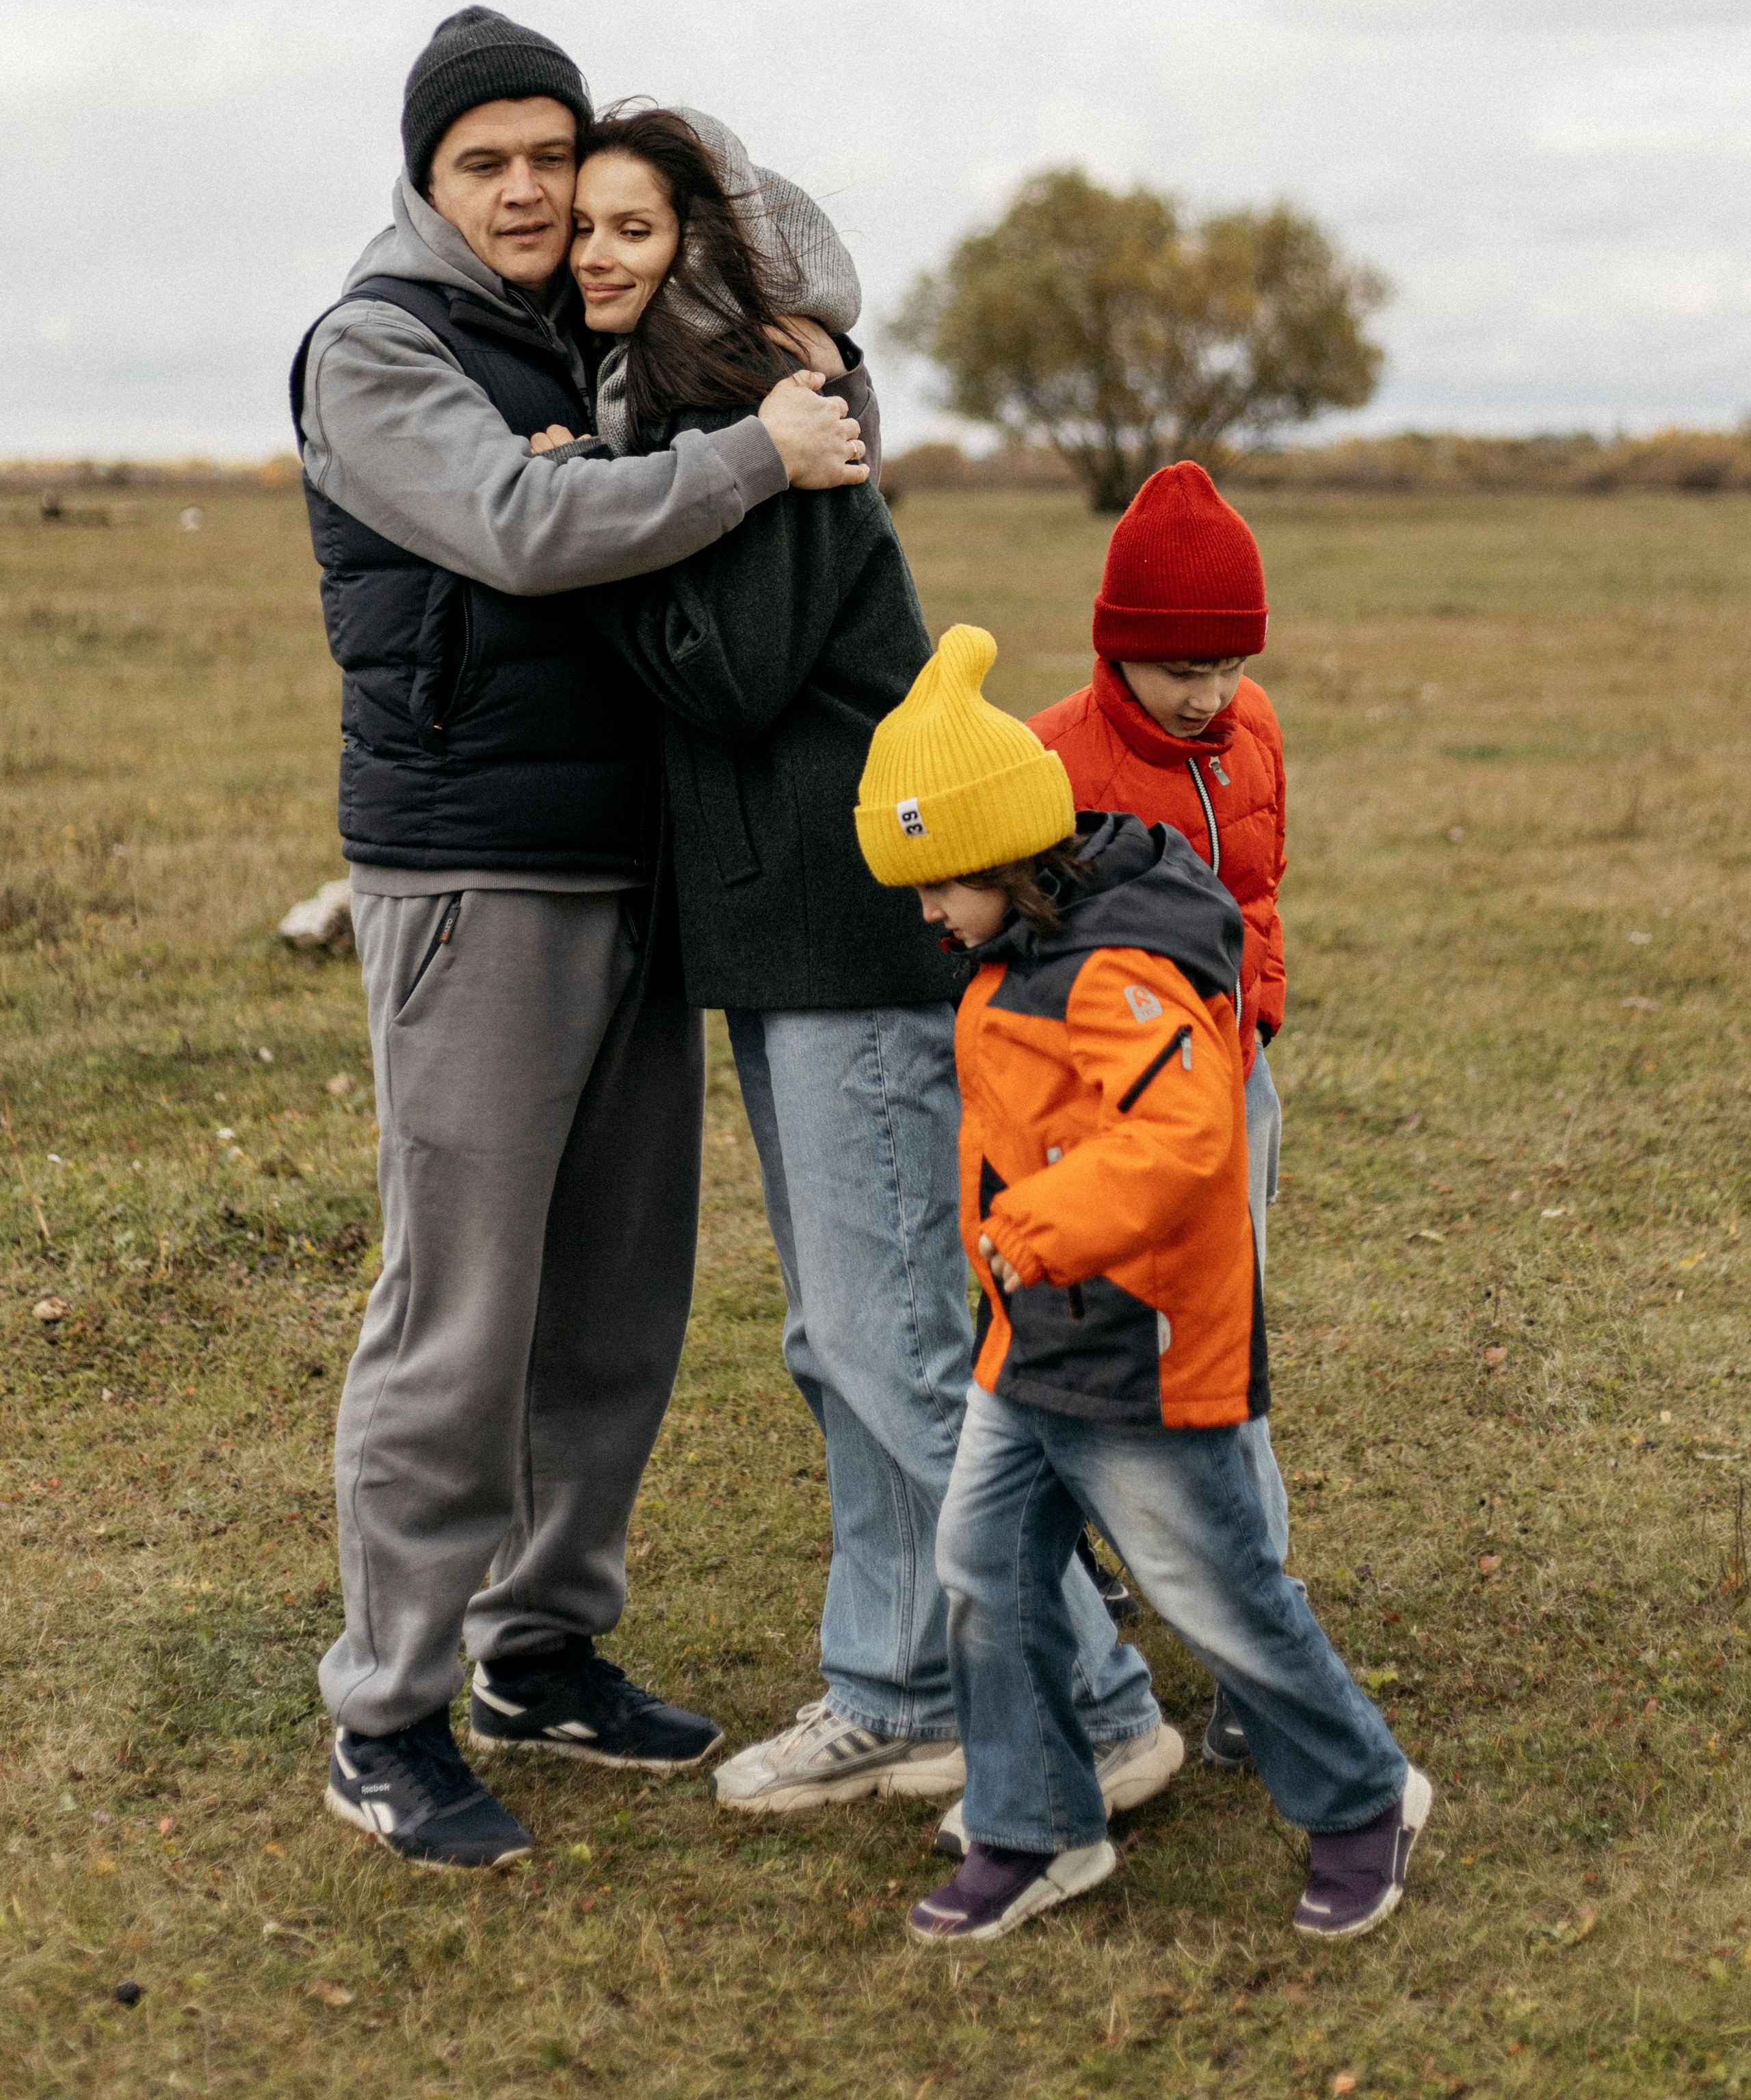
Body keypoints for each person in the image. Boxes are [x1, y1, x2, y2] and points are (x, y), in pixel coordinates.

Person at [525, 107, 1176, 1821]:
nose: (595, 251)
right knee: (842, 1338)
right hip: (782, 930)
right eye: (584, 225)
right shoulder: (698, 422)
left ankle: (1097, 1705)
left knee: (887, 1335)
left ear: (706, 252)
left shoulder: (769, 420)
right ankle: (895, 1690)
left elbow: (729, 675)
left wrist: (584, 519)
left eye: (633, 228)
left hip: (854, 928)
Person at [293, 8, 869, 1870]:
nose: (533, 189)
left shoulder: (590, 316)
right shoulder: (377, 347)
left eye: (554, 154)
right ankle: (383, 1710)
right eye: (490, 162)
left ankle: (540, 1648)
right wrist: (758, 460)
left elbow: (797, 261)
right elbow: (530, 528)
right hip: (478, 875)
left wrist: (692, 192)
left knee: (616, 1304)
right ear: (425, 179)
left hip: (643, 869)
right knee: (461, 1315)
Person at [854, 627, 1432, 1946]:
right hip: (1036, 1341)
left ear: (1006, 850)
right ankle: (1035, 1823)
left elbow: (1184, 1138)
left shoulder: (1117, 969)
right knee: (983, 1570)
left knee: (1216, 1589)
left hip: (1142, 1345)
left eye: (939, 884)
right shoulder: (1017, 955)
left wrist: (1046, 1224)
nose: (928, 915)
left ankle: (1363, 1799)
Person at [1028, 462, 1290, 1770]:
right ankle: (1094, 1563)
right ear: (1115, 647)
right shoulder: (1048, 759)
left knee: (1220, 1368)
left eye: (1231, 662)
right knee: (1084, 1359)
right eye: (1180, 666)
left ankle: (1254, 1644)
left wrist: (1263, 1020)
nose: (1211, 694)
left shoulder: (1256, 738)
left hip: (1227, 1101)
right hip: (1096, 1129)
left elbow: (1258, 895)